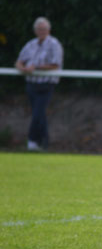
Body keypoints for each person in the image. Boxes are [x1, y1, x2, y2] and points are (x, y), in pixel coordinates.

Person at [15, 17, 63, 151]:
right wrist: (22, 68)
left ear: (49, 30)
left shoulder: (54, 44)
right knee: (38, 113)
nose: (41, 31)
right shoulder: (31, 44)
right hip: (31, 84)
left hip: (46, 84)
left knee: (38, 112)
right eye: (39, 29)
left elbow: (55, 65)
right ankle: (43, 142)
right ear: (35, 30)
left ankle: (32, 140)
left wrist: (35, 67)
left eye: (44, 29)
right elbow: (19, 61)